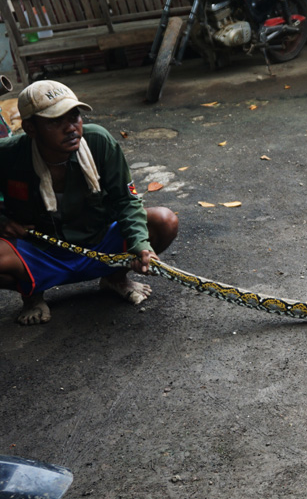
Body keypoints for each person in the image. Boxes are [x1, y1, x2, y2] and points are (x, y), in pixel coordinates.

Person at [0, 80, 179, 325]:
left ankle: (115, 278)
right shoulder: (8, 154)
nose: (71, 128)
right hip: (41, 250)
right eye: (55, 121)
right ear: (30, 128)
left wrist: (140, 245)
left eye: (74, 117)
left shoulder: (98, 141)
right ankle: (31, 294)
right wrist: (3, 221)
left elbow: (126, 200)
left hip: (97, 242)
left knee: (164, 221)